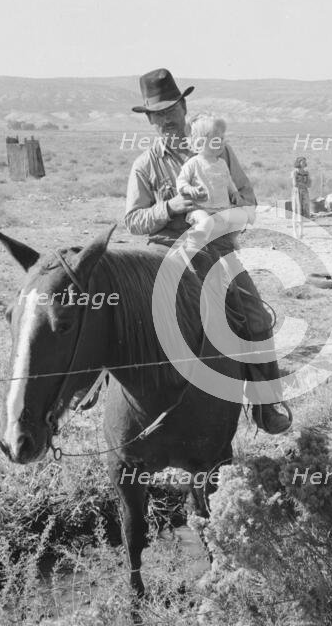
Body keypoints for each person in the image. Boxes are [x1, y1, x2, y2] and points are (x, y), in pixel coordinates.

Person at [125, 68, 291, 434]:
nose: (167, 118)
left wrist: (225, 218)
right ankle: (103, 398)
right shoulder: (145, 165)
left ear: (184, 107)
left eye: (172, 108)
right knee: (129, 319)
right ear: (150, 119)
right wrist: (171, 207)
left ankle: (266, 405)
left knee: (256, 317)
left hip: (217, 250)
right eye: (158, 113)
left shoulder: (219, 151)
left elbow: (248, 199)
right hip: (165, 252)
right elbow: (133, 220)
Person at [176, 114, 255, 253]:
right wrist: (189, 188)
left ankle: (230, 238)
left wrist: (235, 193)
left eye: (223, 139)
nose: (222, 142)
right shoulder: (194, 163)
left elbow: (228, 181)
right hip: (201, 209)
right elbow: (181, 182)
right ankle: (193, 246)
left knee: (243, 216)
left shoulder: (222, 163)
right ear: (200, 143)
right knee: (206, 222)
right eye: (216, 140)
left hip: (222, 209)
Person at [291, 156, 311, 239]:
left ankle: (301, 232)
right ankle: (295, 232)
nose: (304, 163)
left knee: (303, 212)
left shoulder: (307, 172)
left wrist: (303, 184)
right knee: (296, 211)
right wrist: (304, 184)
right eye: (302, 161)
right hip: (297, 193)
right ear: (299, 163)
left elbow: (309, 184)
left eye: (304, 162)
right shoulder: (295, 172)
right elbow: (295, 184)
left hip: (304, 193)